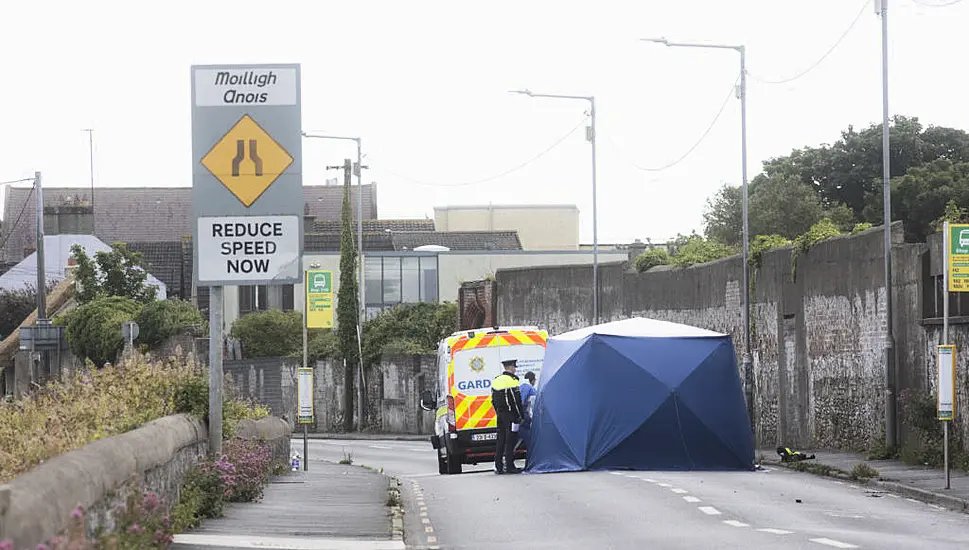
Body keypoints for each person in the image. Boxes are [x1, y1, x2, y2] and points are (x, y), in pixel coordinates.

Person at [491, 358, 524, 474]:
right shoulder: (512, 381)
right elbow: (516, 401)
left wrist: (498, 413)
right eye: (514, 367)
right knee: (510, 440)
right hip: (511, 415)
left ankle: (498, 466)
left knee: (501, 440)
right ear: (510, 367)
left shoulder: (496, 380)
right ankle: (510, 466)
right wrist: (520, 415)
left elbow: (493, 401)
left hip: (500, 415)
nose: (515, 369)